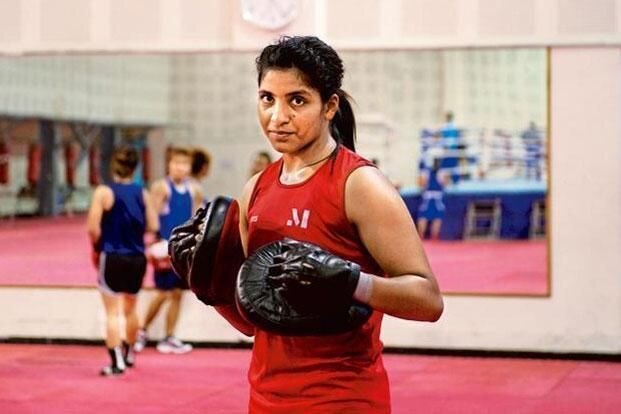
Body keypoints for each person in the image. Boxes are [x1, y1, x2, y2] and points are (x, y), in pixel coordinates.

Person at [215, 36, 443, 412]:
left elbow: (428, 301)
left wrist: (352, 282)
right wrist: (210, 286)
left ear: (330, 106)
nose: (277, 117)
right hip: (266, 398)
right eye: (267, 98)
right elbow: (256, 322)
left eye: (297, 100)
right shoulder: (256, 188)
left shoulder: (359, 185)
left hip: (342, 398)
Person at [86, 146, 158, 376]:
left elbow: (93, 228)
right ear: (135, 168)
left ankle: (116, 361)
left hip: (113, 254)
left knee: (111, 312)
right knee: (130, 309)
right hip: (137, 257)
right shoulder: (142, 193)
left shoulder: (104, 193)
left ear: (112, 166)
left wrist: (97, 248)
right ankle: (128, 355)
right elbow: (153, 226)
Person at [135, 146, 201, 354]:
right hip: (164, 246)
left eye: (184, 164)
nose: (180, 168)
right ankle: (141, 331)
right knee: (163, 293)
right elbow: (151, 216)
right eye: (176, 164)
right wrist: (152, 243)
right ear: (169, 165)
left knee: (178, 293)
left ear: (189, 167)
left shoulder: (195, 189)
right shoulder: (161, 188)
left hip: (184, 248)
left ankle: (169, 336)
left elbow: (197, 218)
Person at [417, 157, 451, 240]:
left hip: (435, 200)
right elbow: (421, 184)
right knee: (425, 218)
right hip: (429, 200)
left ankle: (433, 237)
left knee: (436, 219)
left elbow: (420, 184)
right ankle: (421, 237)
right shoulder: (426, 172)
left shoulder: (441, 172)